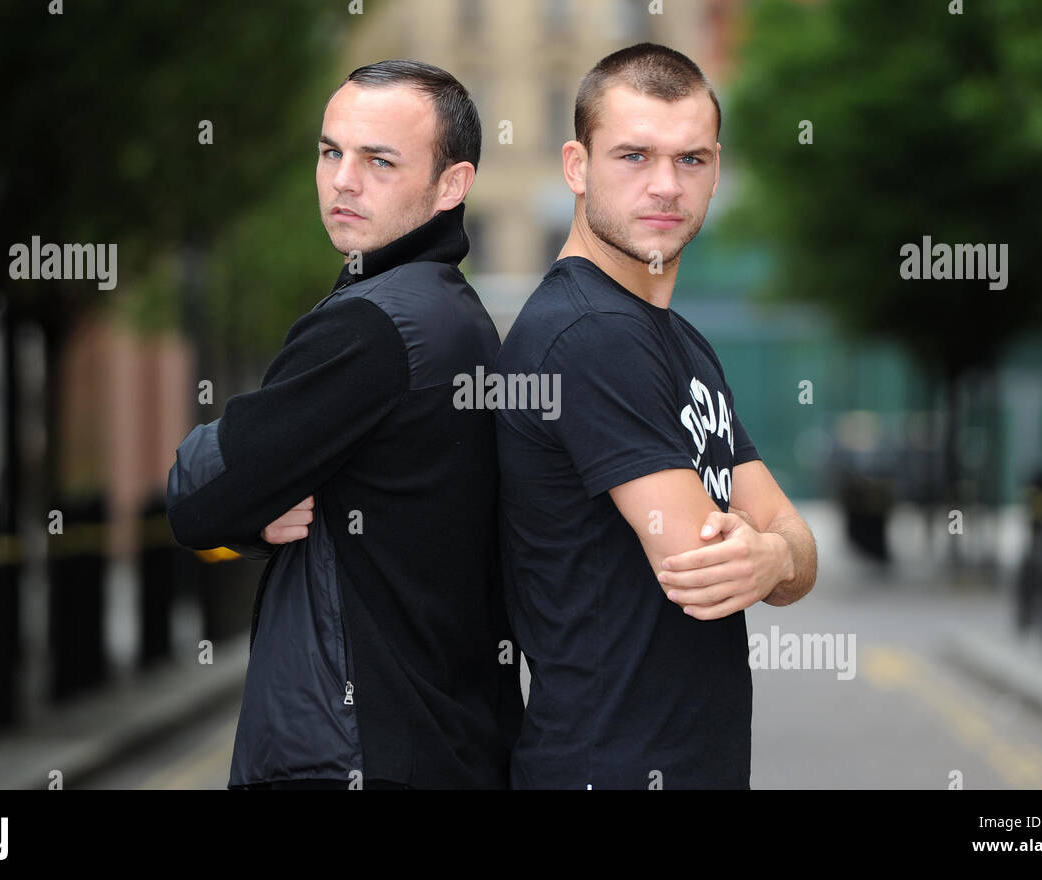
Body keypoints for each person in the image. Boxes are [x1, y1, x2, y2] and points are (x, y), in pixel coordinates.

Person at [166, 60, 521, 789]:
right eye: (331, 152)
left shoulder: (373, 328)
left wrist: (245, 494)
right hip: (446, 745)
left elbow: (195, 496)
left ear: (452, 185)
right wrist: (261, 503)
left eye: (379, 161)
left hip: (350, 753)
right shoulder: (459, 317)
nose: (342, 181)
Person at [494, 43, 818, 789]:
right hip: (606, 765)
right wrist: (768, 551)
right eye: (634, 156)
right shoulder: (589, 336)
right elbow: (700, 564)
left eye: (692, 160)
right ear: (576, 166)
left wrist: (773, 555)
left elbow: (790, 546)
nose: (666, 186)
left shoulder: (679, 342)